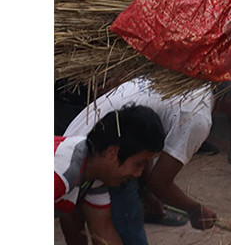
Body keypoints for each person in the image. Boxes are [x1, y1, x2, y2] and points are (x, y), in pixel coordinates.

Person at [64, 77, 218, 244]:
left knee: (88, 216)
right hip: (103, 154)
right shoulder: (198, 116)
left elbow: (145, 143)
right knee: (126, 221)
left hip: (82, 139)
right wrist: (195, 209)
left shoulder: (180, 81)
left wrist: (145, 191)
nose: (137, 174)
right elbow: (159, 183)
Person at [57, 105, 166, 245]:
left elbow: (103, 230)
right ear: (111, 153)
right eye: (139, 164)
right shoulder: (61, 174)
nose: (138, 174)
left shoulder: (93, 174)